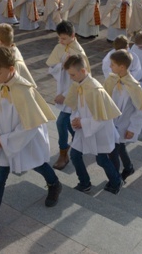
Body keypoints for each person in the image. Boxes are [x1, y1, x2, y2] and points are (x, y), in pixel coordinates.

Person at [0, 47, 61, 240]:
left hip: (25, 141)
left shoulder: (24, 90)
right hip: (4, 141)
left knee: (39, 165)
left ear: (11, 69)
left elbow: (30, 125)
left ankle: (54, 183)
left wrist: (4, 140)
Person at [64, 54, 123, 194]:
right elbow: (77, 107)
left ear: (83, 71)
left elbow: (102, 117)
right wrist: (76, 119)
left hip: (99, 131)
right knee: (75, 155)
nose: (71, 78)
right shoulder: (80, 85)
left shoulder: (95, 89)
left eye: (72, 74)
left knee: (102, 160)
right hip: (84, 129)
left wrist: (82, 122)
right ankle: (84, 183)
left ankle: (116, 181)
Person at [46, 21, 89, 170]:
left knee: (61, 122)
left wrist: (64, 95)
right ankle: (80, 142)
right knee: (71, 123)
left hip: (74, 93)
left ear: (73, 35)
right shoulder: (61, 47)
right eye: (59, 38)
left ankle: (63, 153)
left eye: (63, 38)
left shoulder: (79, 53)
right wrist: (59, 66)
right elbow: (52, 66)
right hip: (64, 89)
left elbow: (80, 78)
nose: (60, 41)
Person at [103, 50, 142, 180]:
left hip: (124, 124)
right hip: (111, 121)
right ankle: (128, 168)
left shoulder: (134, 86)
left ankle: (115, 178)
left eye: (112, 64)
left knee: (114, 152)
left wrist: (133, 129)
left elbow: (139, 110)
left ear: (122, 67)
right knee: (120, 148)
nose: (110, 66)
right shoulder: (111, 79)